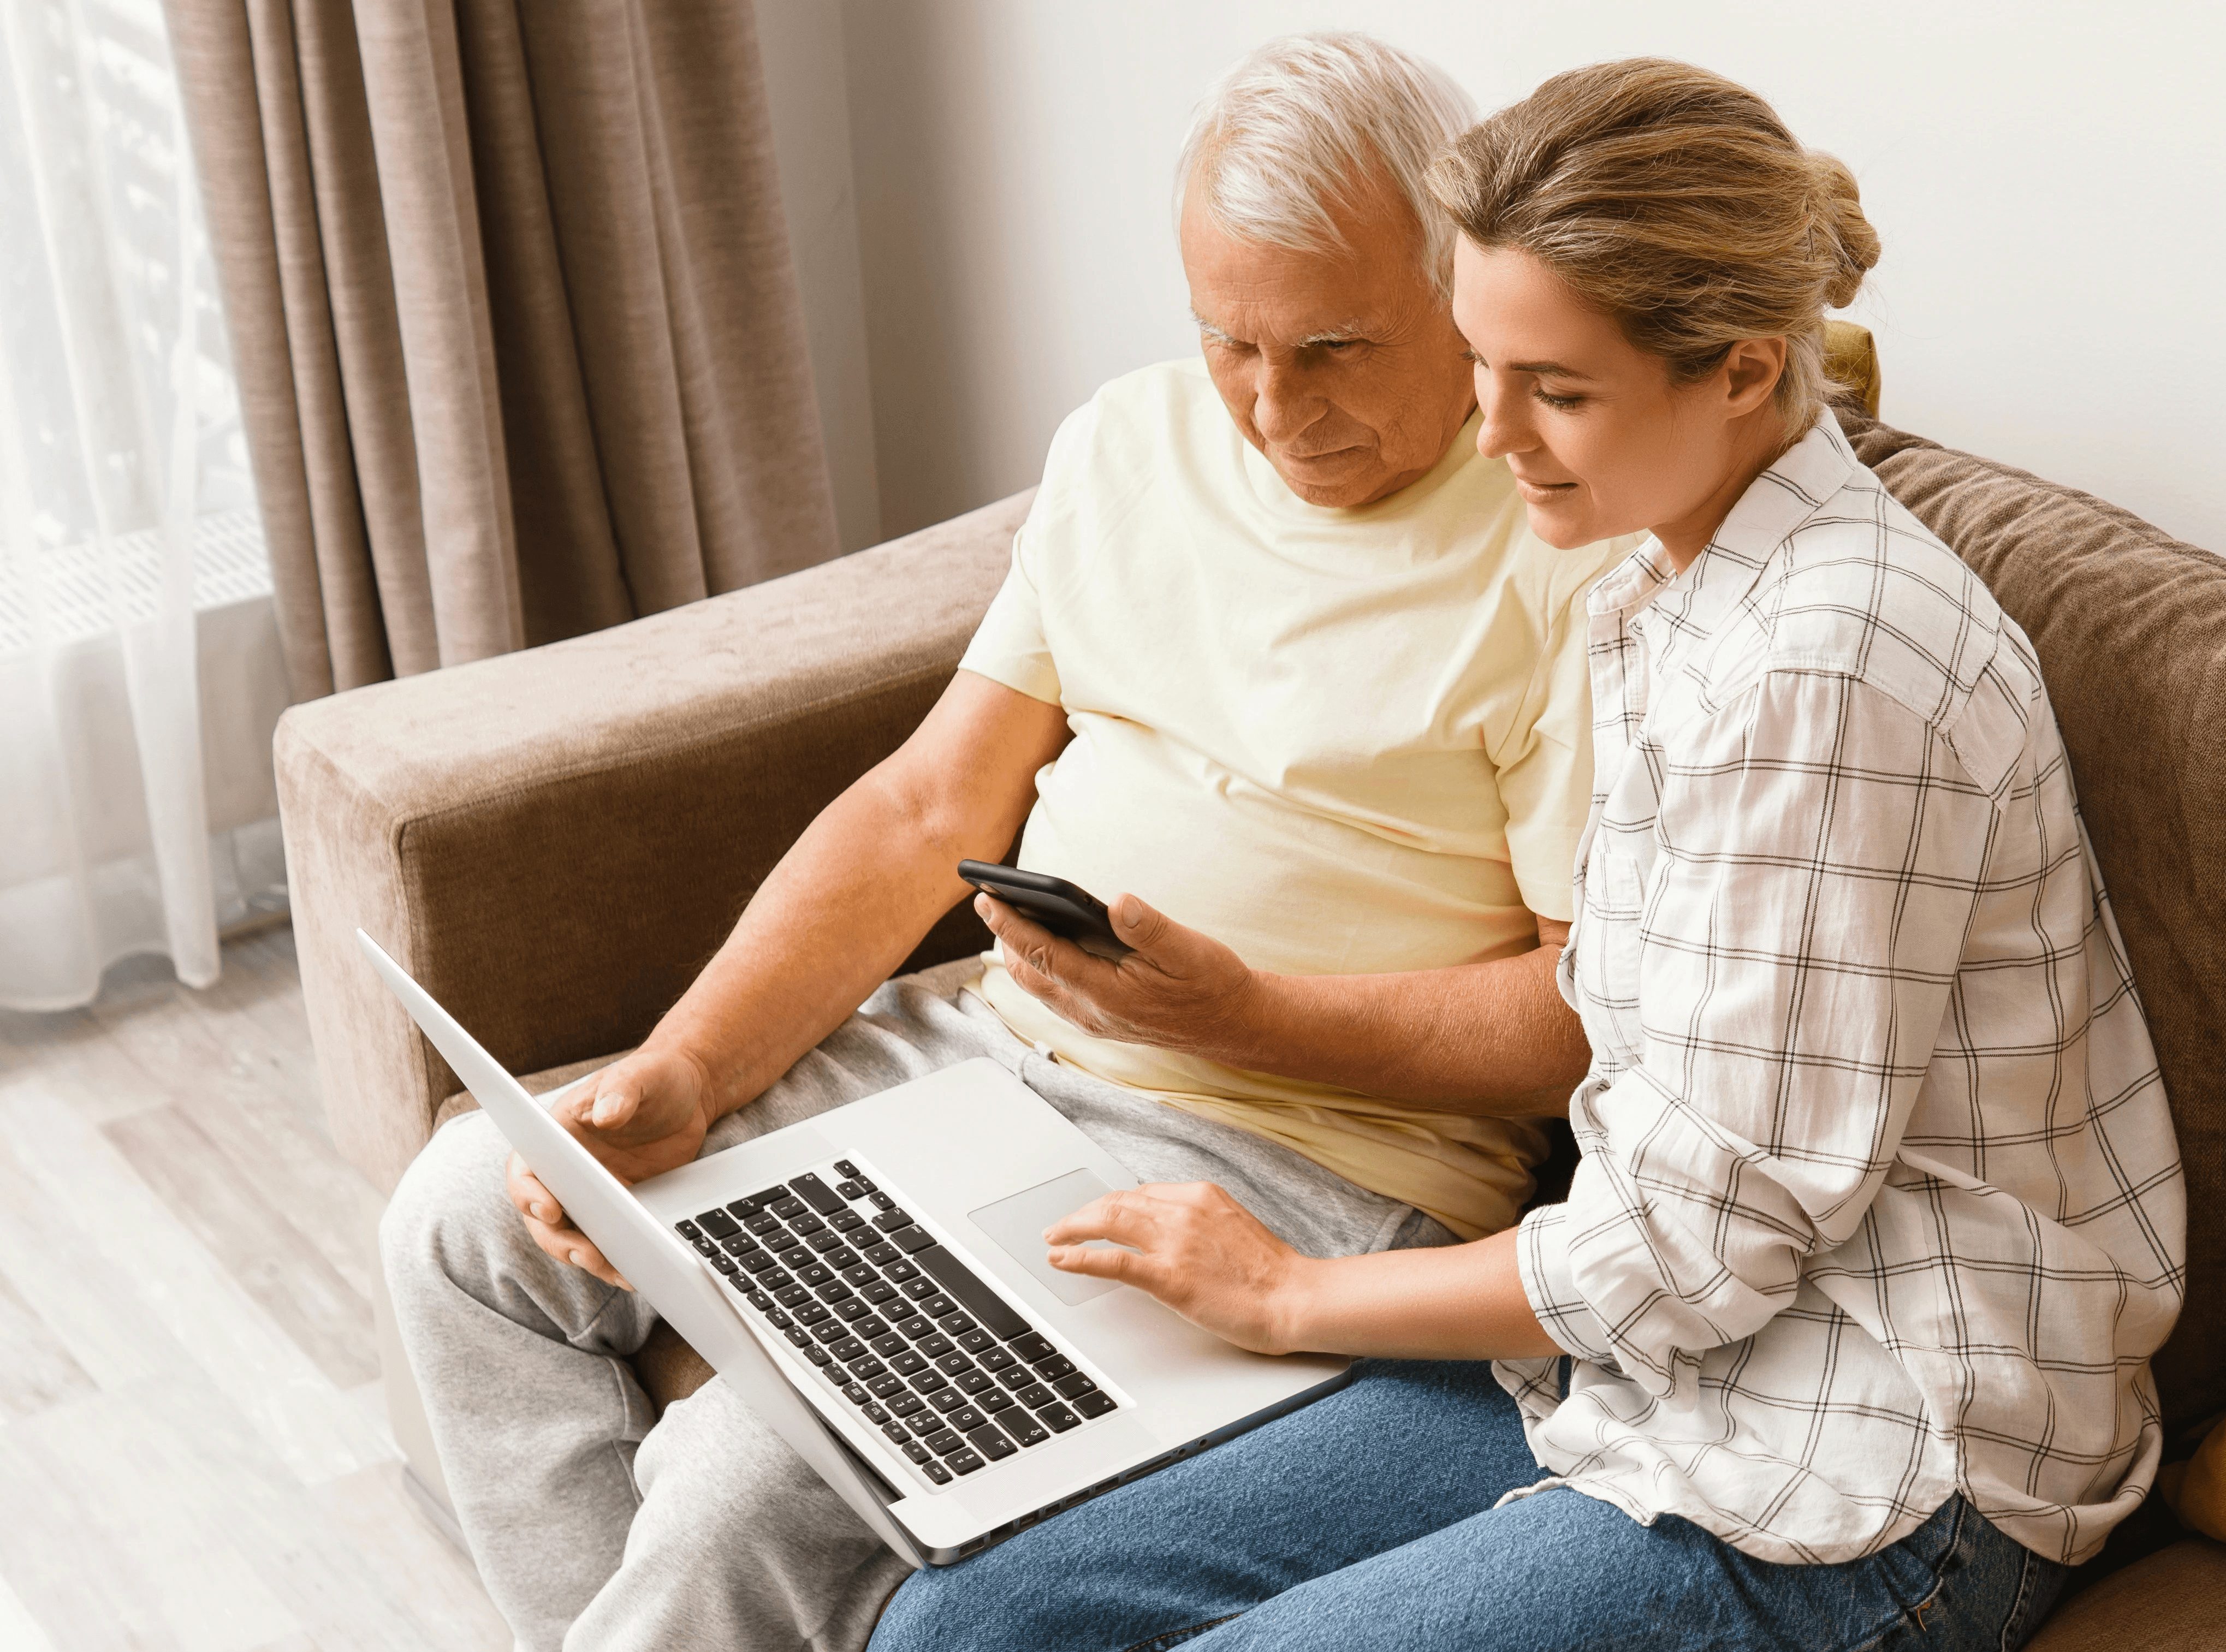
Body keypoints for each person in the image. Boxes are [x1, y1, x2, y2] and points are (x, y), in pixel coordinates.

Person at [872, 59, 2186, 1652]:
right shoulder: (1662, 586)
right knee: (973, 1618)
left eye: (1553, 390)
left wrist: (1284, 1293)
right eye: (1483, 366)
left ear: (1746, 373)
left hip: (1884, 1460)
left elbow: (1697, 1249)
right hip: (1654, 1366)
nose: (1492, 436)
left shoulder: (1830, 670)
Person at [377, 33, 1640, 1651]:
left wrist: (1239, 1018)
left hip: (1300, 1166)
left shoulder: (1564, 548)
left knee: (738, 1484)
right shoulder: (1124, 444)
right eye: (1228, 341)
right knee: (464, 1208)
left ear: (1464, 285)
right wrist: (685, 1075)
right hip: (977, 1052)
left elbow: (1578, 1018)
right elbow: (925, 810)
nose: (1271, 406)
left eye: (1333, 345)